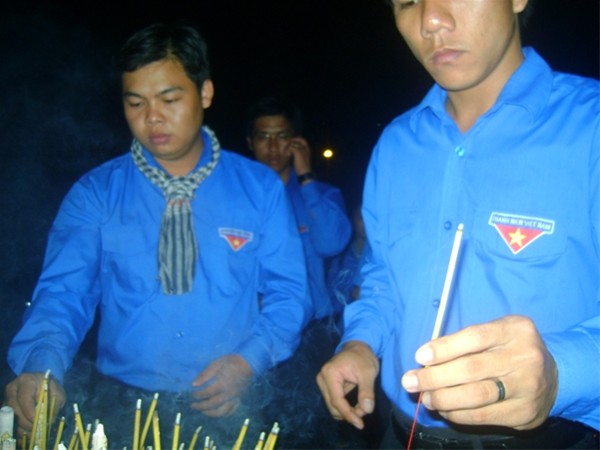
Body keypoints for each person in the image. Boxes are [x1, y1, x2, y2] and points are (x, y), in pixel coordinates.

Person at [5, 22, 311, 440]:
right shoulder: (96, 194)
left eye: (170, 99)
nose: (152, 118)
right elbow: (63, 294)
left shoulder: (259, 189)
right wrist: (40, 366)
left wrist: (248, 362)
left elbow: (290, 294)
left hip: (228, 401)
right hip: (121, 404)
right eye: (135, 102)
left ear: (205, 92)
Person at [317, 0, 599, 448]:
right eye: (407, 1)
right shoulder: (396, 145)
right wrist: (361, 342)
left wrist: (561, 370)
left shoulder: (590, 126)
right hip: (400, 434)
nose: (431, 20)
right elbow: (383, 276)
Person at [246, 97, 352, 320]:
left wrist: (305, 176)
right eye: (263, 137)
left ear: (296, 141)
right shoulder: (238, 200)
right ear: (250, 143)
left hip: (314, 324)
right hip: (256, 324)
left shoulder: (324, 195)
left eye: (282, 136)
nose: (273, 147)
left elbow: (331, 245)